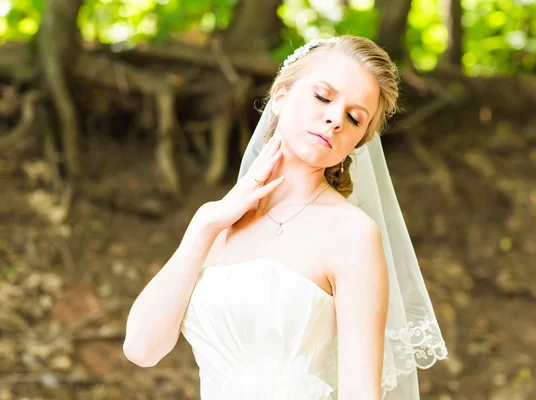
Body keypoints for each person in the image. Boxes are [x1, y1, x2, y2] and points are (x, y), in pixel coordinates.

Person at [123, 35, 448, 399]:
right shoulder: (214, 223)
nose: (334, 119)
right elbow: (141, 348)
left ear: (358, 140)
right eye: (323, 97)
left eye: (354, 118)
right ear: (281, 96)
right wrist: (206, 225)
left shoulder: (352, 234)